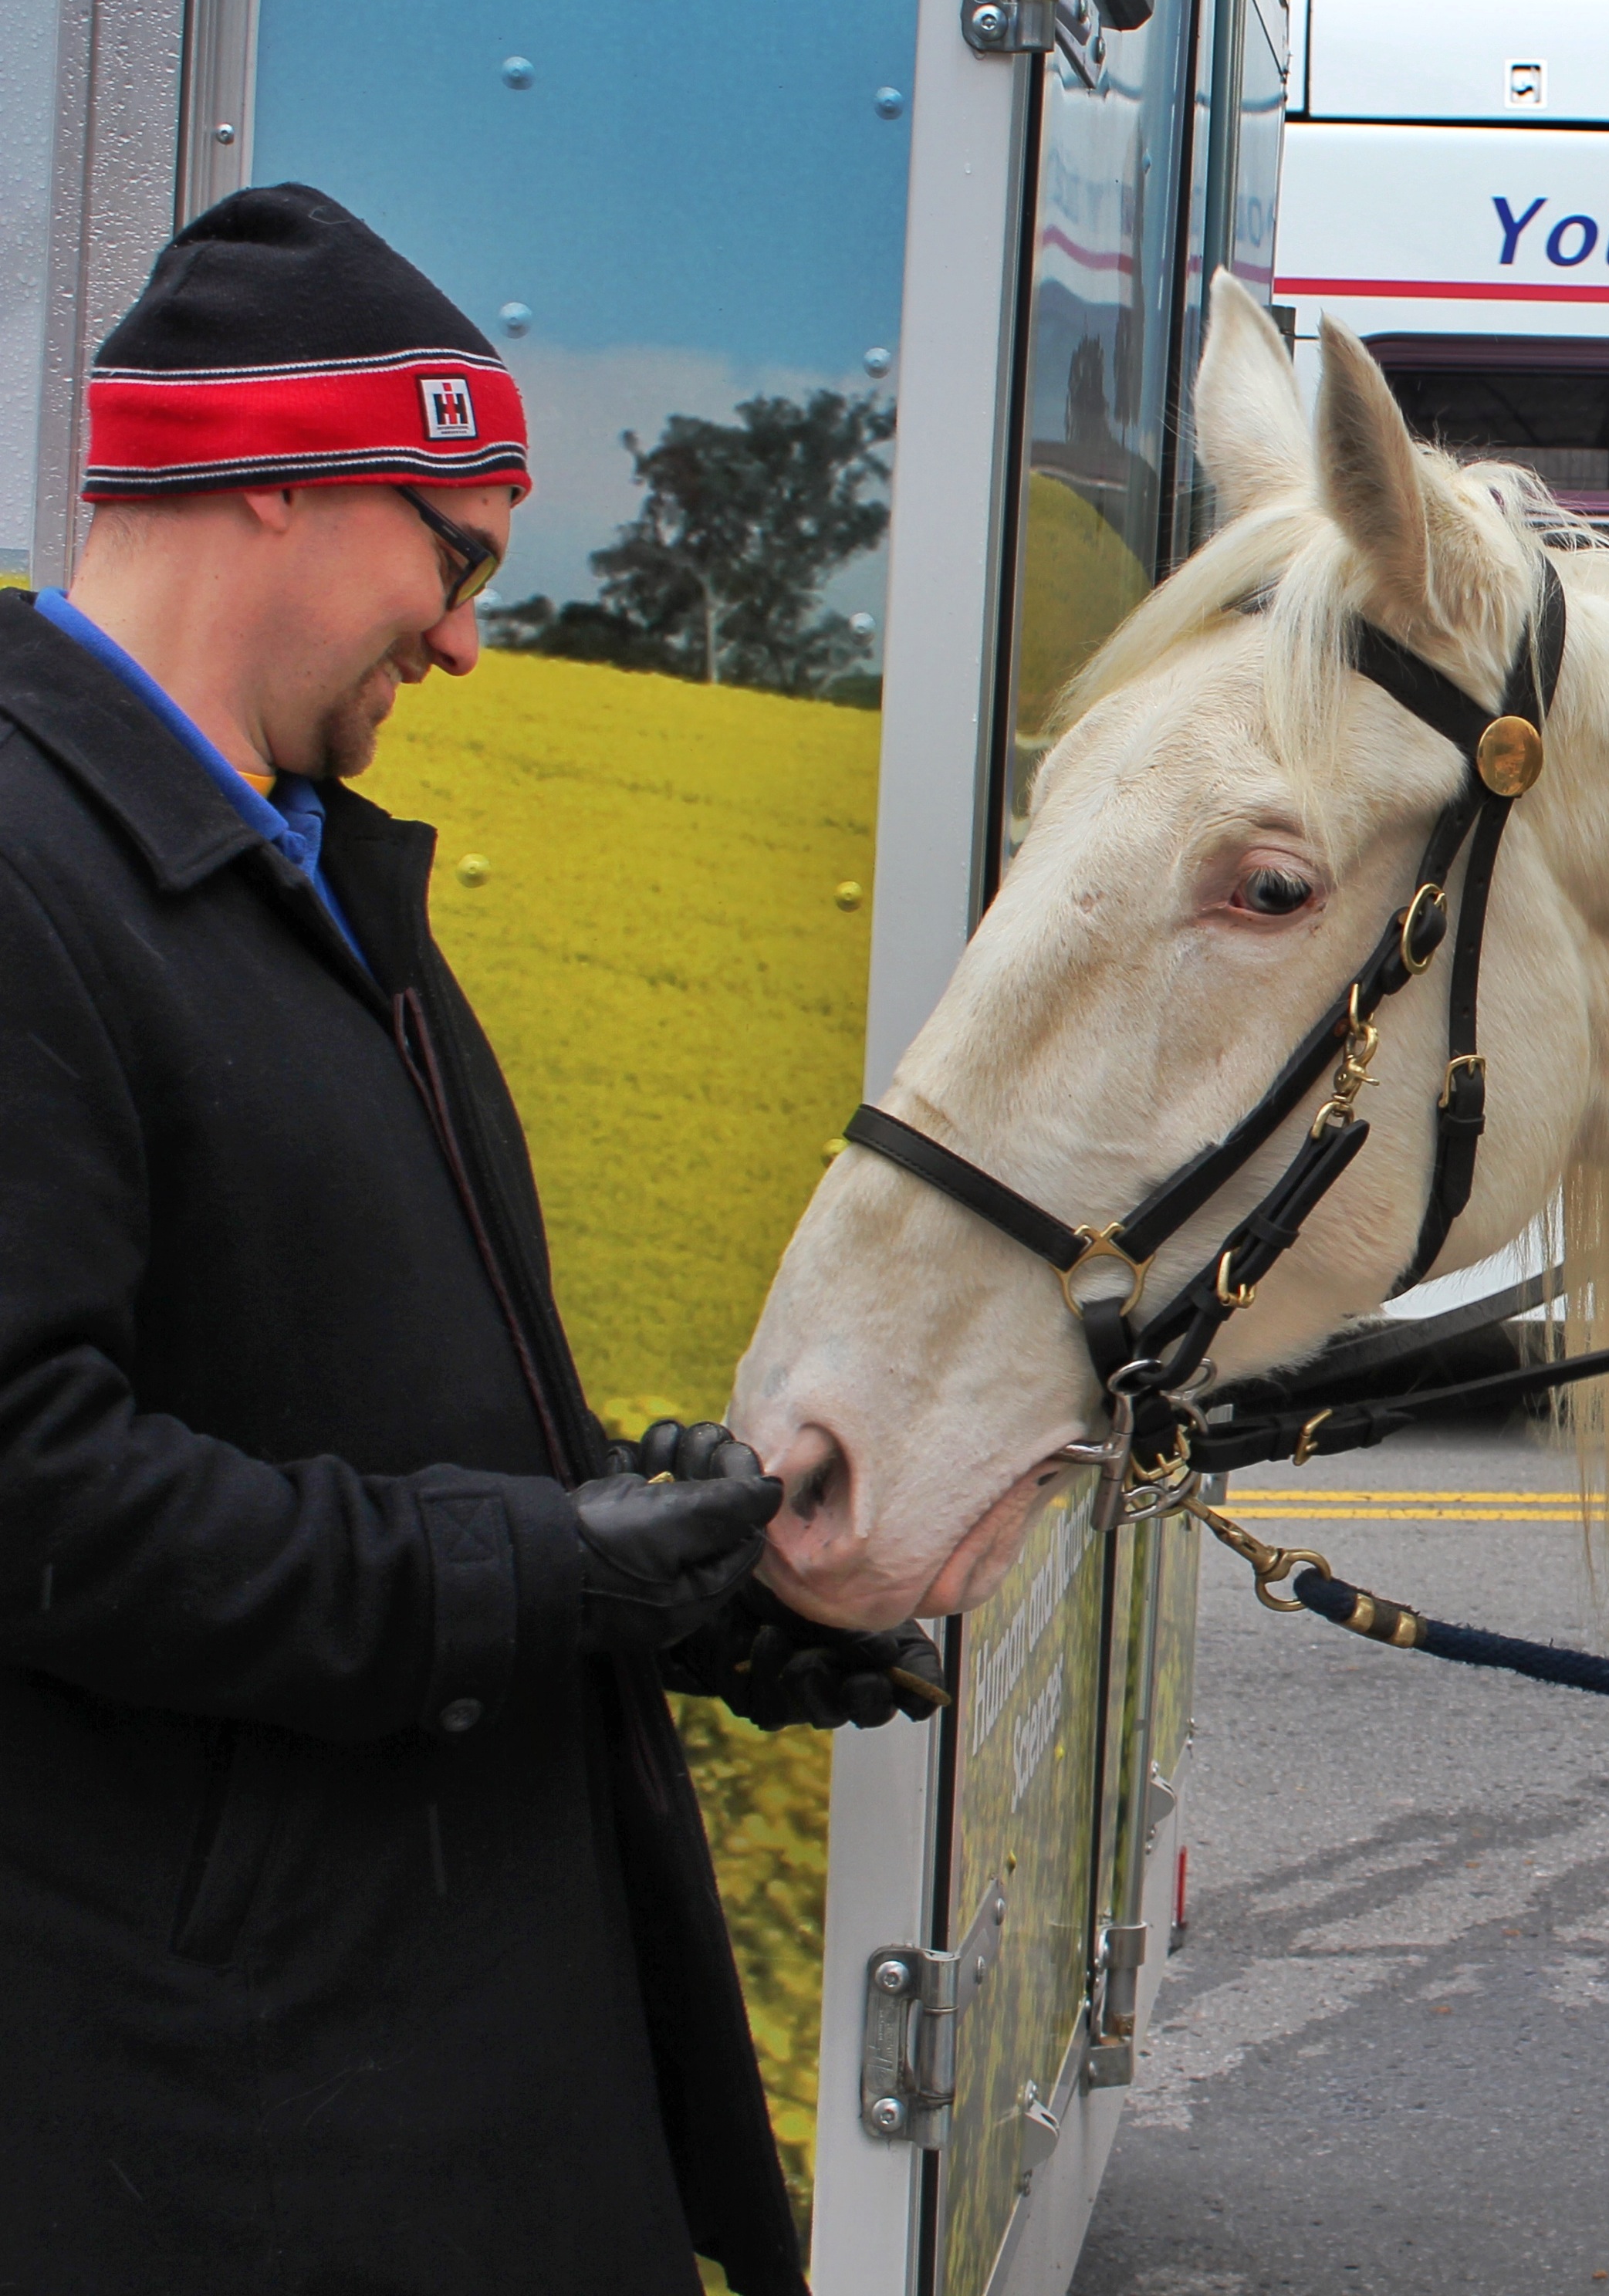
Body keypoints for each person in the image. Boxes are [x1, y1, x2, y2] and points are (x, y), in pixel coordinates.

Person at [0, 183, 938, 2294]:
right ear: (283, 488)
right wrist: (534, 1573)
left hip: (429, 2072)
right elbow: (30, 1485)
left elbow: (320, 1388)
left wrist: (665, 1579)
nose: (462, 639)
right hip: (237, 2138)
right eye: (454, 555)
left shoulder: (299, 868)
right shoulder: (26, 867)